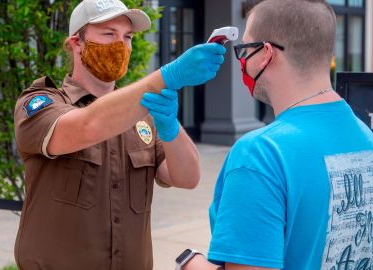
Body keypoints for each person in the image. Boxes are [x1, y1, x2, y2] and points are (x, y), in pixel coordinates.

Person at [175, 0, 373, 269]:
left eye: (244, 50)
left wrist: (190, 263)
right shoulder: (370, 144)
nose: (242, 61)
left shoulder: (261, 154)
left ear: (266, 54)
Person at [12, 0, 226, 269]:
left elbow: (187, 177)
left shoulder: (141, 115)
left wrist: (171, 128)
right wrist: (167, 76)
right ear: (77, 43)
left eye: (127, 37)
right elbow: (87, 126)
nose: (121, 45)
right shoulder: (41, 102)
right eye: (108, 34)